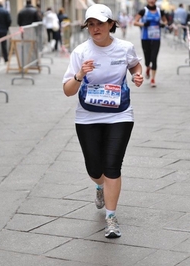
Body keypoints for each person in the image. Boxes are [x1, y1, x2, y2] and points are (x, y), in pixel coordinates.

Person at [62, 4, 143, 238]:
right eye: (91, 24)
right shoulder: (80, 52)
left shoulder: (125, 47)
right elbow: (68, 91)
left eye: (100, 23)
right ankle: (99, 186)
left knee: (112, 166)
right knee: (94, 168)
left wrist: (137, 74)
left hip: (120, 113)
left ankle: (111, 217)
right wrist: (80, 75)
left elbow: (134, 64)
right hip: (87, 116)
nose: (95, 28)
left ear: (111, 24)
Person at [133, 0, 167, 88]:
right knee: (147, 59)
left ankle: (153, 79)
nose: (152, 1)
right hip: (145, 38)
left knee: (154, 58)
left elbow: (165, 21)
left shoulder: (160, 11)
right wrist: (143, 24)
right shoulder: (143, 11)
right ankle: (148, 67)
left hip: (156, 38)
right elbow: (135, 22)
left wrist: (162, 24)